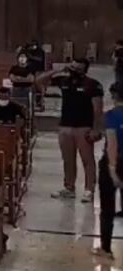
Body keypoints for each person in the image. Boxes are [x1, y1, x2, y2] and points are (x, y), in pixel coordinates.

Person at [41, 59, 104, 203]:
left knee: (87, 160)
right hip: (65, 125)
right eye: (73, 67)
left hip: (84, 127)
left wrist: (96, 129)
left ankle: (89, 190)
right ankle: (69, 188)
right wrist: (58, 70)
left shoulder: (92, 85)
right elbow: (40, 81)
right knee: (68, 159)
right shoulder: (64, 81)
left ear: (84, 70)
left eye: (78, 68)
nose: (74, 70)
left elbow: (98, 109)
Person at [96, 83, 123, 258]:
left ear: (114, 96)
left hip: (116, 163)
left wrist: (113, 170)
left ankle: (106, 248)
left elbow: (112, 144)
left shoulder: (112, 116)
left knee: (108, 207)